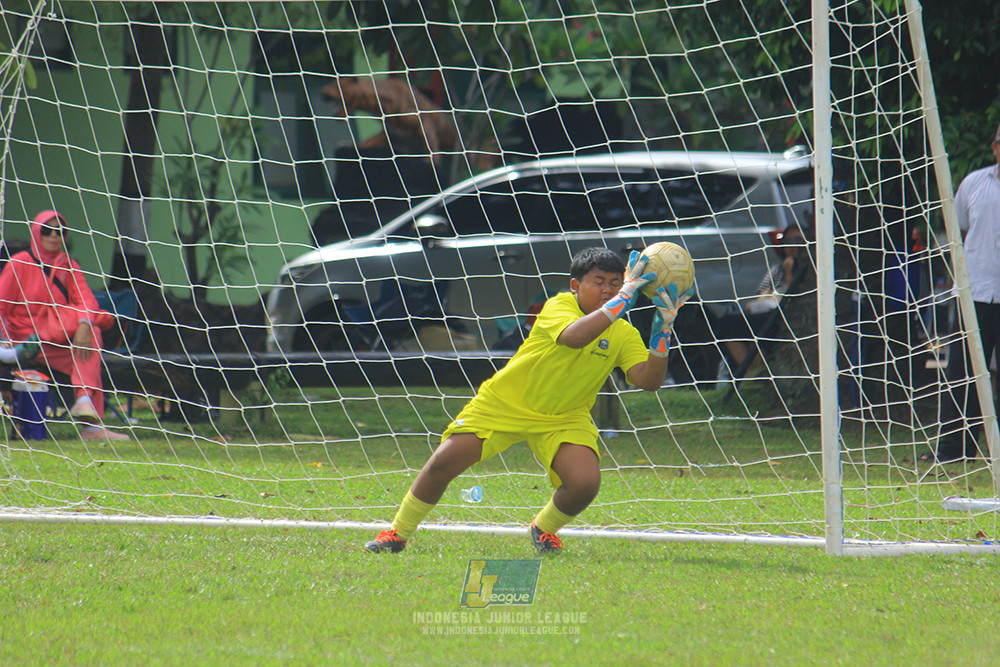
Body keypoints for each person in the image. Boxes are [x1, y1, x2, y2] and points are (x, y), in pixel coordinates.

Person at [364, 246, 693, 554]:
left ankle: (543, 528)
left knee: (585, 483)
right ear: (576, 286)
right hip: (505, 403)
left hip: (564, 416)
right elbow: (574, 337)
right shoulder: (559, 305)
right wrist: (624, 296)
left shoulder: (622, 333)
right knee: (442, 465)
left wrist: (663, 330)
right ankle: (397, 533)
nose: (607, 289)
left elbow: (648, 381)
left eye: (615, 282)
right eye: (599, 282)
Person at [0, 210, 129, 441]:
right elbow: (1, 306)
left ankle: (85, 408)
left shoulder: (69, 265)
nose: (54, 236)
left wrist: (83, 325)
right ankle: (87, 414)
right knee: (92, 344)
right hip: (26, 341)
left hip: (56, 337)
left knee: (91, 338)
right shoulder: (19, 263)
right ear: (36, 232)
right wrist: (4, 340)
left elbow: (86, 299)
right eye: (47, 230)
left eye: (59, 232)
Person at [920, 122, 1000, 463]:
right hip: (975, 292)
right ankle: (954, 450)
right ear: (994, 147)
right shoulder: (974, 183)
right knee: (961, 374)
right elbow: (960, 230)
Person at [717, 224, 810, 375]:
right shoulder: (776, 269)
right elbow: (761, 294)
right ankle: (749, 373)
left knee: (763, 327)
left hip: (788, 315)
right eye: (788, 241)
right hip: (768, 310)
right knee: (728, 322)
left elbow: (795, 299)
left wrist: (789, 274)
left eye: (798, 240)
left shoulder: (809, 269)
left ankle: (758, 373)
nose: (793, 246)